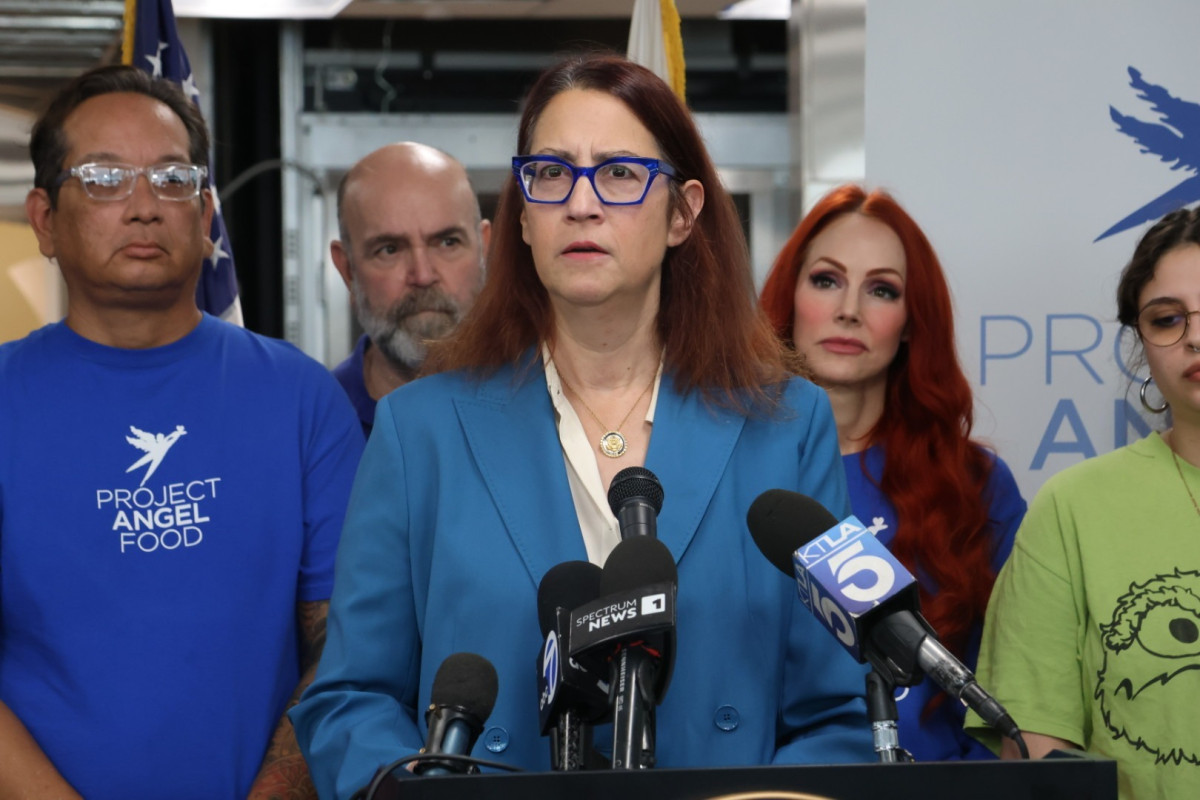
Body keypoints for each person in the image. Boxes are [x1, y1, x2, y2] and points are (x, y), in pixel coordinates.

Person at [290, 52, 872, 798]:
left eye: (621, 173)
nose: (582, 204)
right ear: (524, 221)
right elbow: (350, 699)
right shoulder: (419, 432)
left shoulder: (787, 427)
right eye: (553, 174)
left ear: (683, 213)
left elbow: (837, 714)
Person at [0, 65, 363, 799]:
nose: (143, 207)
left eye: (171, 179)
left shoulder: (301, 398)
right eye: (103, 178)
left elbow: (349, 645)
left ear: (204, 217)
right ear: (44, 218)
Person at [758, 184, 1026, 761]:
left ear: (910, 322)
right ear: (788, 297)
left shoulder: (975, 485)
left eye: (881, 289)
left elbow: (1016, 685)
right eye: (826, 280)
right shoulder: (732, 474)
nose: (848, 309)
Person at [966, 207, 1200, 798]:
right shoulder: (1074, 509)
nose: (1194, 336)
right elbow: (1039, 752)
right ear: (1143, 347)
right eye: (1168, 318)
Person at [330, 142, 489, 436]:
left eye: (447, 242)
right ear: (347, 270)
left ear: (484, 248)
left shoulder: (549, 407)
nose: (423, 275)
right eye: (389, 249)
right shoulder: (315, 422)